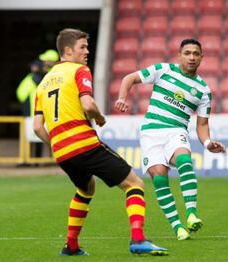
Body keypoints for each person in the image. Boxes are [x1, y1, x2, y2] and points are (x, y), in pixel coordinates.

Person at [33, 28, 168, 256]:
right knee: (134, 184)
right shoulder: (79, 70)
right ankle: (138, 239)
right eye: (82, 47)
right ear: (67, 50)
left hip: (62, 153)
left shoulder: (43, 83)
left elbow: (37, 127)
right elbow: (88, 104)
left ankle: (71, 246)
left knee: (86, 189)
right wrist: (99, 117)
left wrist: (56, 145)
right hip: (84, 144)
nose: (87, 51)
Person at [115, 39, 226, 241]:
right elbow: (129, 78)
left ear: (202, 57)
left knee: (184, 160)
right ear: (179, 55)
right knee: (159, 176)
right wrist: (122, 98)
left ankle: (191, 213)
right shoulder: (163, 70)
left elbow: (202, 125)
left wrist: (209, 143)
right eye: (187, 53)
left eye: (196, 53)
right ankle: (177, 227)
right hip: (151, 132)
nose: (191, 57)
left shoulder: (203, 90)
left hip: (176, 130)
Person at [16, 59, 45, 158]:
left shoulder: (30, 78)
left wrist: (25, 103)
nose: (32, 68)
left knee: (29, 138)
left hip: (31, 113)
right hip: (42, 113)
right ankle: (37, 160)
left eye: (34, 66)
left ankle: (28, 160)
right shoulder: (46, 77)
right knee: (39, 138)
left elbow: (20, 94)